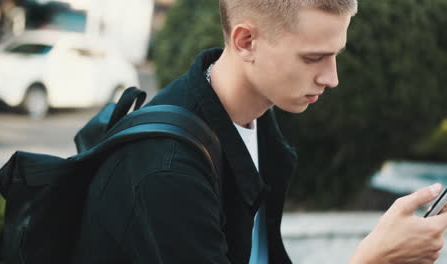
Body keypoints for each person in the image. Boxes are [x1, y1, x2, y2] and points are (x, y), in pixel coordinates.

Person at [72, 0, 447, 263]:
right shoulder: (166, 170)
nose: (331, 78)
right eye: (313, 57)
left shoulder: (259, 118)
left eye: (336, 55)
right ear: (246, 41)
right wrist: (373, 259)